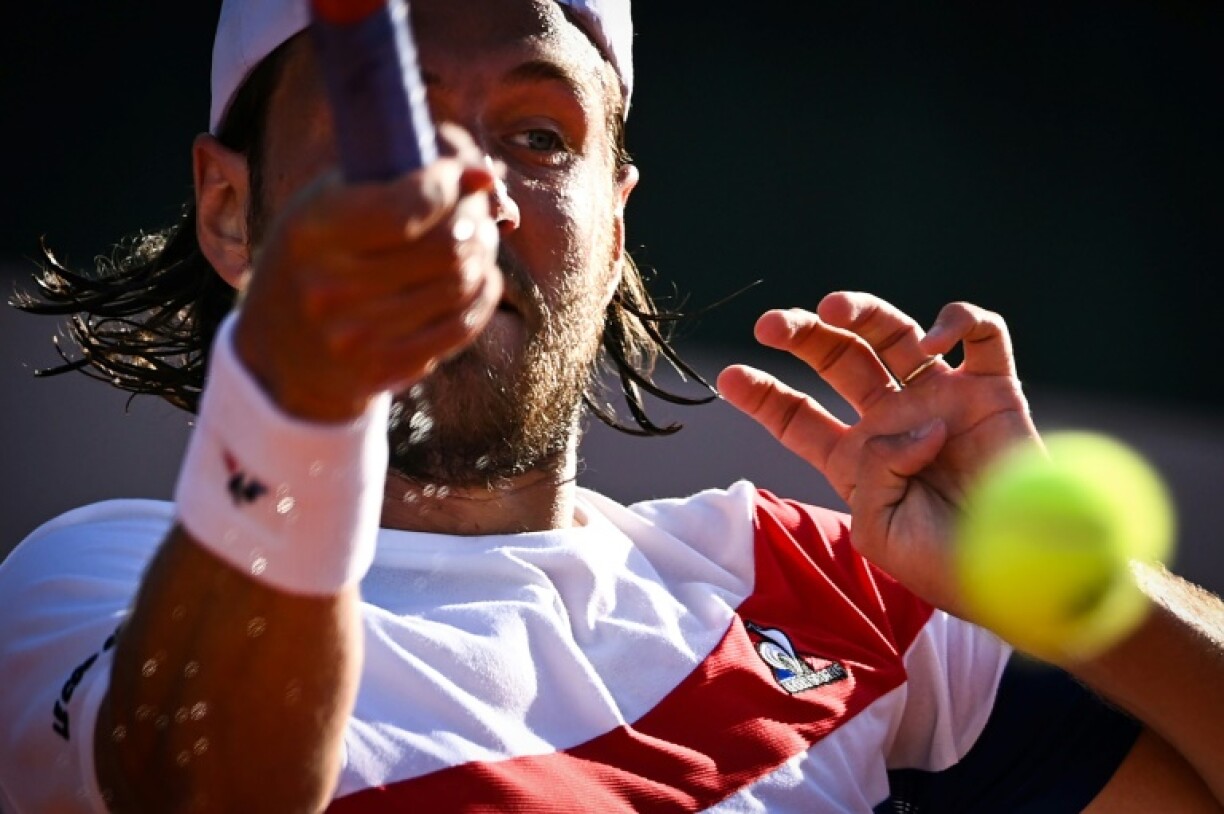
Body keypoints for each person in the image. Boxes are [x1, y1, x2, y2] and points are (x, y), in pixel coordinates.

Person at [1, 0, 1222, 811]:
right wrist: (295, 395)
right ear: (230, 208)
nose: (470, 194)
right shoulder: (88, 590)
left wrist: (1072, 584)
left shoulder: (831, 580)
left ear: (617, 216)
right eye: (396, 130)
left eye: (538, 135)